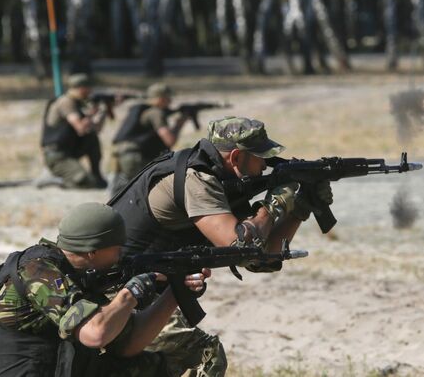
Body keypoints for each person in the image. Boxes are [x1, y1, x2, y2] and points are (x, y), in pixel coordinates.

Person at [108, 116, 333, 376]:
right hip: (117, 289)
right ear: (236, 157)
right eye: (261, 158)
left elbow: (261, 259)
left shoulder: (221, 180)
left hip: (146, 288)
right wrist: (276, 204)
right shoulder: (196, 179)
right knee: (204, 356)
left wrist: (300, 208)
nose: (265, 166)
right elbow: (239, 246)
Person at [0, 202, 209, 377]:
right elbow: (95, 334)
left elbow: (129, 344)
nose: (121, 255)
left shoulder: (81, 275)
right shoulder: (38, 272)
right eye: (117, 247)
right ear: (92, 251)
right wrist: (131, 293)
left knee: (156, 366)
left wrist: (176, 292)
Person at [109, 83, 189, 197]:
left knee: (119, 193)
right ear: (161, 98)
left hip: (120, 154)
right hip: (135, 156)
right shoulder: (155, 112)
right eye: (168, 98)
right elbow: (170, 140)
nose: (170, 102)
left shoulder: (140, 110)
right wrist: (178, 125)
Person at [40, 74, 108, 189]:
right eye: (88, 88)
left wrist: (102, 113)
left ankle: (96, 174)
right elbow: (81, 128)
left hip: (70, 151)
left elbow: (95, 129)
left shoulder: (78, 103)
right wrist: (92, 113)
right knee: (86, 182)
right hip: (57, 155)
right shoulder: (66, 102)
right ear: (81, 88)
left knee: (92, 137)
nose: (90, 91)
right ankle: (56, 181)